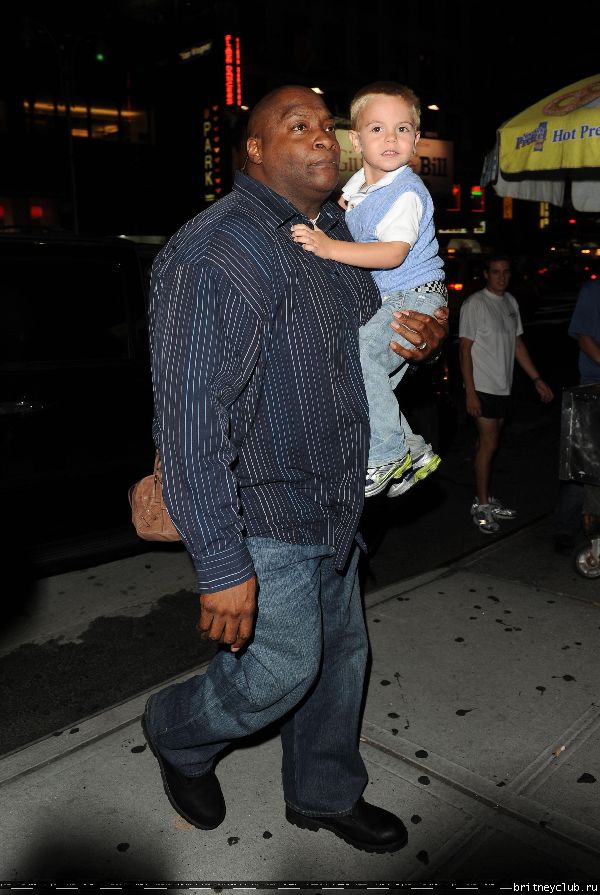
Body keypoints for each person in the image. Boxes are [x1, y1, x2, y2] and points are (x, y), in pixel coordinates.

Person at [142, 85, 448, 853]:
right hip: (263, 508)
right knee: (280, 668)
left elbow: (372, 344)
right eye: (297, 124)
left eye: (326, 126)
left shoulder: (336, 232)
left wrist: (424, 336)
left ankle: (324, 793)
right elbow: (191, 417)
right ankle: (175, 729)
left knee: (341, 661)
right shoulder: (219, 250)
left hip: (337, 498)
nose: (321, 137)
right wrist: (222, 561)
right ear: (254, 148)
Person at [291, 81, 445, 499]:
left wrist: (327, 246)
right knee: (369, 382)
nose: (391, 138)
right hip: (396, 296)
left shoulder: (406, 193)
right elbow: (354, 213)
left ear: (416, 139)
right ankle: (411, 451)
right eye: (377, 129)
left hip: (412, 295)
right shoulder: (358, 187)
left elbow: (393, 253)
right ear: (356, 140)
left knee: (358, 358)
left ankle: (387, 453)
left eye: (402, 129)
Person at [458, 254, 554, 534]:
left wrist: (536, 379)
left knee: (487, 443)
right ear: (486, 274)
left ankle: (484, 494)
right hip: (483, 387)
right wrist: (470, 392)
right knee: (489, 444)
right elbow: (464, 349)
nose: (501, 277)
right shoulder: (475, 303)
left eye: (505, 272)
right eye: (495, 272)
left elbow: (517, 344)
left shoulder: (510, 302)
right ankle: (482, 505)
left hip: (504, 387)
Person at [553, 277, 600, 552]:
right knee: (584, 465)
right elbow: (584, 338)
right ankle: (565, 529)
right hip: (593, 390)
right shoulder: (593, 290)